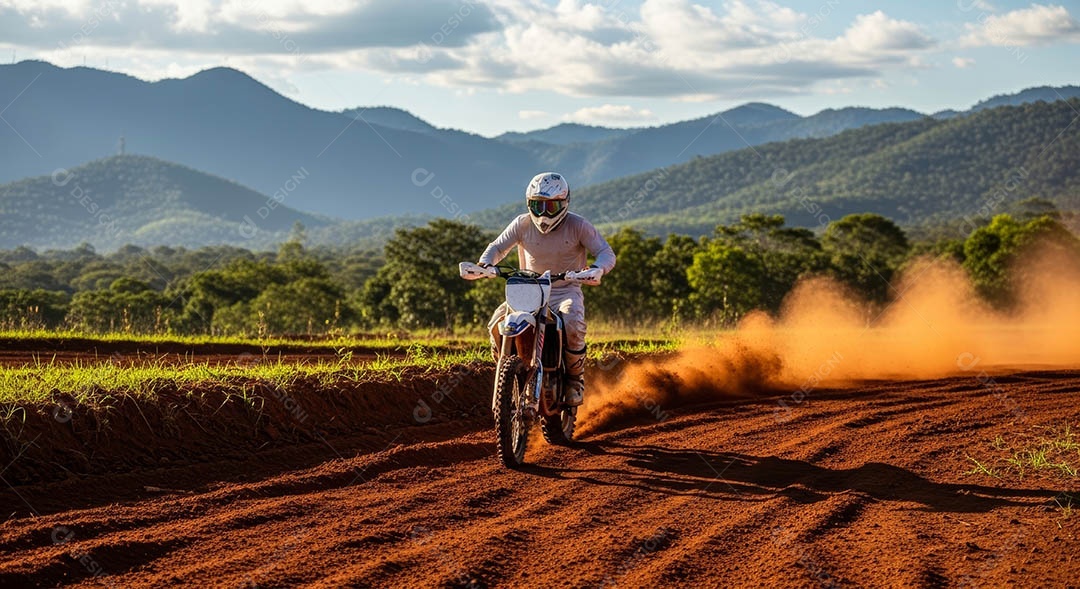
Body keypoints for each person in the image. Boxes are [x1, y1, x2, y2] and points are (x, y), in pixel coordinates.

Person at [478, 172, 616, 406]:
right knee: (495, 323)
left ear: (564, 203)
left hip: (565, 290)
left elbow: (605, 252)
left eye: (550, 206)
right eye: (537, 205)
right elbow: (498, 247)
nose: (543, 213)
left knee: (572, 321)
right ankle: (506, 373)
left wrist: (597, 269)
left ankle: (574, 379)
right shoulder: (522, 223)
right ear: (528, 204)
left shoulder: (578, 225)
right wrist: (485, 264)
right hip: (527, 291)